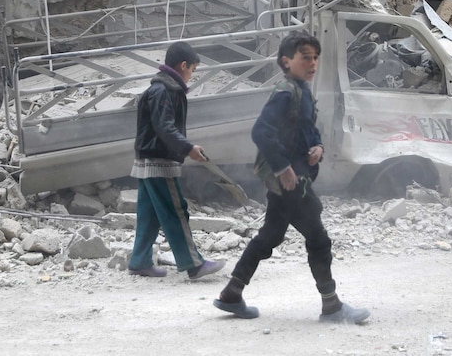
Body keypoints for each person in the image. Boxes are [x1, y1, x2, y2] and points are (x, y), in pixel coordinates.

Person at [213, 31, 370, 323]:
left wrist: (318, 147)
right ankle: (331, 305)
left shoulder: (301, 90)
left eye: (315, 58)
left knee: (271, 235)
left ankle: (232, 293)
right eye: (305, 57)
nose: (313, 63)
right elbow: (261, 131)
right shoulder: (286, 92)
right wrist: (283, 168)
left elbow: (307, 129)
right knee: (318, 239)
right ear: (286, 61)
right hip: (291, 181)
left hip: (293, 178)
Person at [127, 41, 225, 280]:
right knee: (175, 210)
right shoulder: (165, 90)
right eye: (192, 69)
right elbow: (165, 127)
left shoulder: (161, 88)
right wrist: (188, 147)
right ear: (183, 66)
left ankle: (139, 260)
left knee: (150, 214)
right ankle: (193, 263)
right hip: (159, 161)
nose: (191, 75)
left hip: (147, 159)